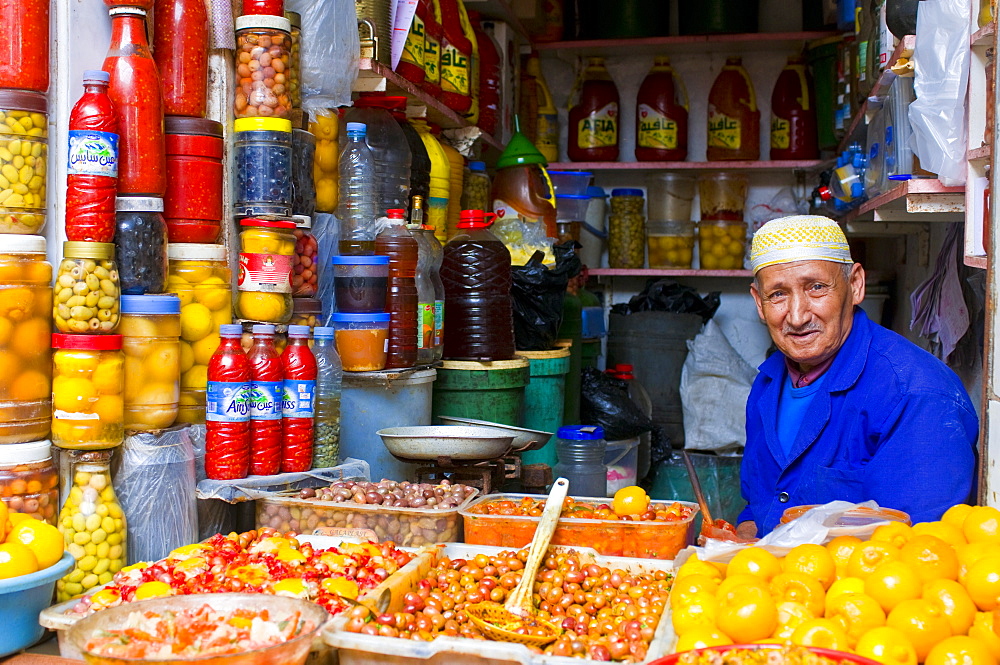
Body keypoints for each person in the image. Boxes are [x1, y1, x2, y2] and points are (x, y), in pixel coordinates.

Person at [736, 215, 978, 538]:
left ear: (855, 285)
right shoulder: (766, 386)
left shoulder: (917, 394)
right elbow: (760, 506)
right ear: (759, 304)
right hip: (780, 585)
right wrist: (740, 539)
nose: (796, 316)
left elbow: (919, 551)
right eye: (778, 294)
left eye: (816, 287)